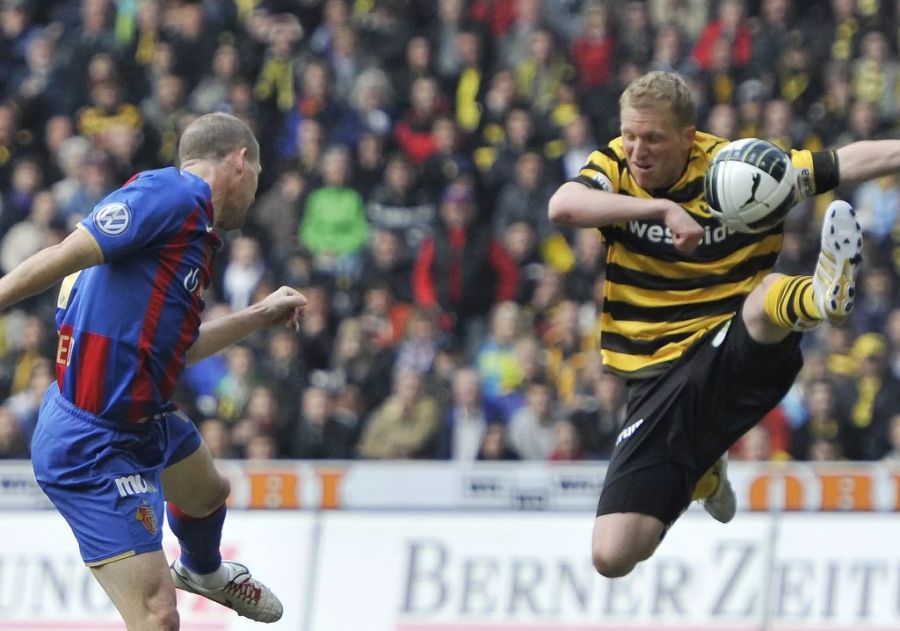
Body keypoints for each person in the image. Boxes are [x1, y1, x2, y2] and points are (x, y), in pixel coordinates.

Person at [548, 70, 900, 579]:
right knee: (613, 553)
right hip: (654, 375)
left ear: (689, 137)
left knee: (761, 301)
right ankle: (705, 475)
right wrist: (661, 208)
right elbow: (563, 205)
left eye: (653, 139)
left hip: (735, 342)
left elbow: (844, 161)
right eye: (630, 135)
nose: (637, 150)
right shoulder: (614, 167)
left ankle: (821, 295)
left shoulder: (738, 169)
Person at [0, 113, 305, 628]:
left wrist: (259, 315)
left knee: (207, 494)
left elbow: (176, 353)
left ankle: (205, 573)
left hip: (144, 418)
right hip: (91, 444)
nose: (256, 193)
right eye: (257, 176)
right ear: (241, 162)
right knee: (158, 617)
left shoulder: (190, 237)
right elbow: (61, 254)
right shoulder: (174, 196)